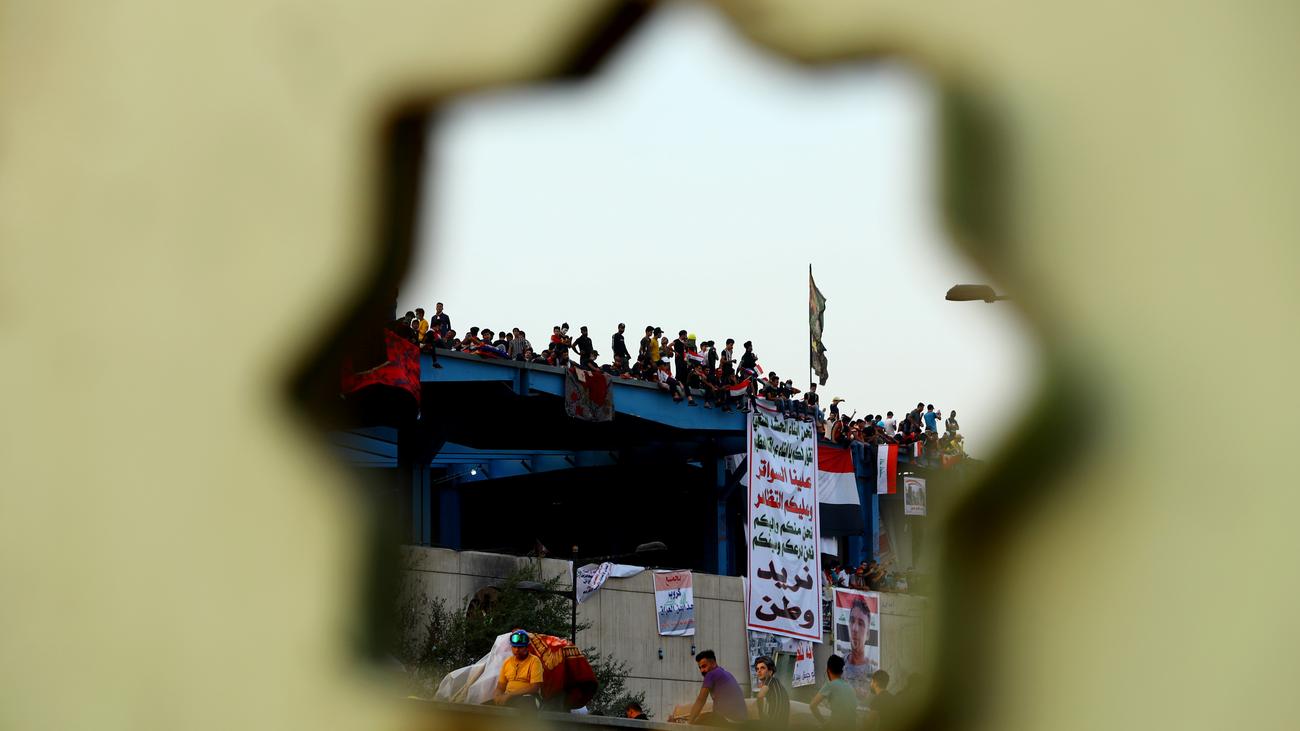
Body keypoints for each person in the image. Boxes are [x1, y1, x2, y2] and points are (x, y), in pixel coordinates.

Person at [684, 650, 747, 725]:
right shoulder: (725, 673)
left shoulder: (711, 674)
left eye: (704, 666)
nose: (702, 670)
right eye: (700, 668)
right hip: (741, 721)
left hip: (728, 720)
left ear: (713, 663)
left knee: (697, 722)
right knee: (704, 717)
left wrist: (688, 723)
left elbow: (701, 700)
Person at [493, 630, 543, 710]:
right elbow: (500, 687)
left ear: (527, 647)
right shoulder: (507, 662)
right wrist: (497, 695)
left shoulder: (534, 661)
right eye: (514, 647)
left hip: (529, 697)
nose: (516, 650)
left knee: (526, 703)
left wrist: (510, 695)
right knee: (484, 708)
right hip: (509, 697)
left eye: (520, 647)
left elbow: (534, 687)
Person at [809, 655, 857, 728]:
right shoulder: (850, 687)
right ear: (841, 671)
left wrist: (823, 722)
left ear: (828, 670)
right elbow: (847, 712)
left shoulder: (830, 685)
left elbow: (812, 705)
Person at [841, 597, 877, 693]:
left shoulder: (873, 671)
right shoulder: (840, 664)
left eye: (861, 624)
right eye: (852, 621)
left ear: (868, 634)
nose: (855, 629)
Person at [753, 655, 789, 728]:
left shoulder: (770, 680)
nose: (759, 671)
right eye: (757, 669)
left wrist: (761, 714)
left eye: (762, 668)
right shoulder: (776, 683)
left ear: (770, 672)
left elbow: (760, 696)